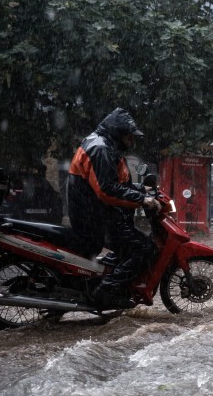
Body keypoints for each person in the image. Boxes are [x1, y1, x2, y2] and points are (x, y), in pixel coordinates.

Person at [67, 108, 161, 309]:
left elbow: (113, 182)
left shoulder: (103, 144)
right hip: (95, 218)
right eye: (129, 136)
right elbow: (106, 190)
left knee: (130, 246)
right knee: (144, 249)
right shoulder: (101, 148)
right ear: (118, 132)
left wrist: (140, 189)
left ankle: (110, 280)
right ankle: (106, 292)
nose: (132, 141)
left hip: (97, 213)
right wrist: (142, 199)